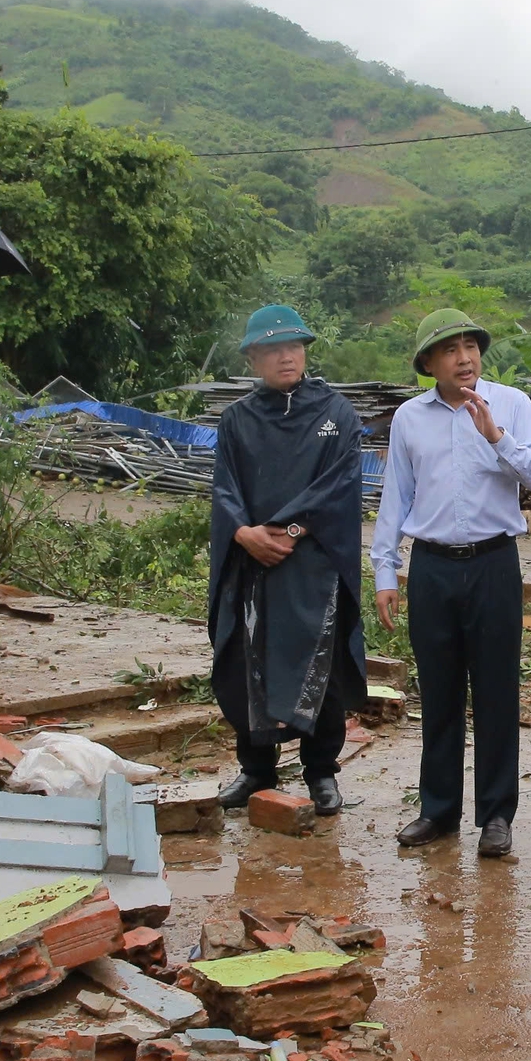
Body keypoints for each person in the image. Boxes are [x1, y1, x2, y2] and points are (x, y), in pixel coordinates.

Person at [373, 309, 531, 856]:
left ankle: (496, 817)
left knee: (497, 691)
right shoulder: (409, 417)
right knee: (440, 691)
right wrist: (386, 570)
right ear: (429, 364)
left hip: (494, 563)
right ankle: (438, 810)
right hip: (432, 567)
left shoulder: (513, 405)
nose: (464, 357)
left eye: (470, 345)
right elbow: (395, 495)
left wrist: (496, 436)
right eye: (450, 349)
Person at [207, 304, 366, 820]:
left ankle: (321, 770)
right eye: (273, 349)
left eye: (293, 346)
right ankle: (257, 767)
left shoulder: (335, 413)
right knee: (246, 658)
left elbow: (340, 483)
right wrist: (244, 533)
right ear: (253, 358)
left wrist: (292, 530)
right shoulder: (237, 421)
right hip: (251, 562)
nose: (286, 357)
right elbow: (225, 487)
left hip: (314, 564)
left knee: (321, 664)